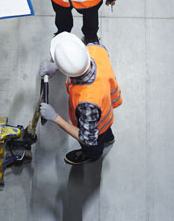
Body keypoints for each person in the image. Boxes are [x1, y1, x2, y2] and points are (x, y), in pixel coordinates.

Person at [38, 32, 122, 165]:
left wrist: (55, 117)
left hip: (96, 126)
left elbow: (88, 138)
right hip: (106, 112)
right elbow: (80, 66)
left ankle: (92, 155)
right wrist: (58, 67)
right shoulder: (96, 48)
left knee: (93, 145)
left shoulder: (87, 103)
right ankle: (108, 138)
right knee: (106, 132)